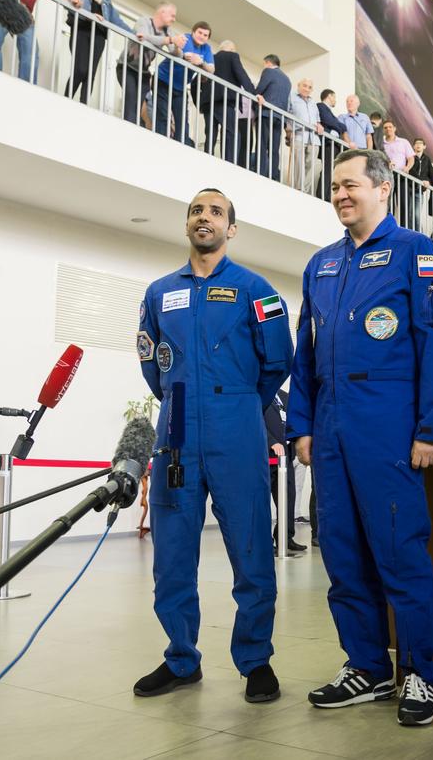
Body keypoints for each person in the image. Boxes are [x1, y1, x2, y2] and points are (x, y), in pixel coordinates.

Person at [287, 148, 433, 727]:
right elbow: (305, 352)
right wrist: (302, 424)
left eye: (350, 184)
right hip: (330, 428)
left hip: (389, 426)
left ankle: (418, 672)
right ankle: (367, 666)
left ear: (383, 188)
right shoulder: (321, 264)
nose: (339, 194)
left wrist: (431, 427)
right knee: (341, 552)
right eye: (334, 186)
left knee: (399, 552)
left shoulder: (417, 253)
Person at [134, 189, 293, 704]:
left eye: (216, 212)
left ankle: (256, 660)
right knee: (172, 553)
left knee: (250, 548)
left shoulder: (256, 289)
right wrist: (179, 398)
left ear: (232, 228)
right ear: (187, 225)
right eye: (196, 211)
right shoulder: (160, 293)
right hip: (177, 426)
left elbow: (278, 360)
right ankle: (181, 658)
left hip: (237, 424)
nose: (205, 217)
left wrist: (241, 403)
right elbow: (151, 363)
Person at [63, 0, 132, 104]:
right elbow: (67, 2)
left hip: (99, 36)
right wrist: (90, 15)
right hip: (81, 30)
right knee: (80, 69)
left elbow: (116, 20)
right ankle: (65, 100)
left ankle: (83, 105)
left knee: (90, 73)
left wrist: (134, 34)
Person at [120, 2, 184, 127]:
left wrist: (176, 46)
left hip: (143, 72)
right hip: (127, 67)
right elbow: (143, 37)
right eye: (172, 15)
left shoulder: (167, 31)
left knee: (138, 106)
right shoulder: (144, 21)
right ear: (162, 12)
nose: (174, 19)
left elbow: (177, 54)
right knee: (131, 101)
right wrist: (170, 40)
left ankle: (134, 128)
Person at [154, 21, 214, 147]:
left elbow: (211, 69)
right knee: (163, 115)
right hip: (163, 80)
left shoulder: (207, 48)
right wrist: (187, 57)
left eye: (205, 35)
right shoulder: (186, 39)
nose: (202, 36)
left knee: (182, 123)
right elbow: (183, 54)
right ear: (193, 32)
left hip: (180, 88)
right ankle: (160, 145)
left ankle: (179, 148)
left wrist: (201, 62)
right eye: (200, 33)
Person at [264, 388, 305, 552]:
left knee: (288, 498)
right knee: (262, 502)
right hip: (265, 456)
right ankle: (264, 543)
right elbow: (254, 422)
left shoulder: (284, 396)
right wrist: (271, 442)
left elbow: (291, 422)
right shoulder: (259, 395)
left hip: (285, 457)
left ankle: (285, 537)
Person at [211, 40, 257, 166]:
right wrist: (254, 94)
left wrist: (200, 103)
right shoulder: (233, 56)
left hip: (210, 102)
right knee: (232, 134)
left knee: (212, 133)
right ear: (231, 49)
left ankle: (210, 157)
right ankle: (230, 163)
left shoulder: (211, 58)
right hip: (228, 102)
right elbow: (243, 77)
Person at [253, 54, 291, 180]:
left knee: (262, 144)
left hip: (266, 113)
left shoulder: (268, 71)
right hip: (279, 117)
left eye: (264, 64)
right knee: (274, 148)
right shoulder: (287, 79)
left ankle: (260, 172)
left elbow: (260, 89)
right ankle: (273, 174)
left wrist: (255, 95)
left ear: (268, 63)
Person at [288, 78, 324, 198]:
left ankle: (305, 190)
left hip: (314, 138)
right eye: (304, 85)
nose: (307, 89)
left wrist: (319, 125)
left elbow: (317, 119)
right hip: (298, 134)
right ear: (298, 85)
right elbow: (286, 113)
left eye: (310, 87)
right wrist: (289, 130)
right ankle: (299, 188)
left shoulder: (313, 102)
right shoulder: (291, 97)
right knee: (298, 164)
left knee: (312, 165)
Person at [317, 90, 349, 202]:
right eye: (334, 97)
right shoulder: (321, 106)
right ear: (329, 96)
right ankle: (321, 195)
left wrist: (339, 126)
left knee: (331, 171)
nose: (335, 100)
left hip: (333, 145)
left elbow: (337, 124)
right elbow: (329, 121)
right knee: (327, 170)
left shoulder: (330, 112)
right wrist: (340, 127)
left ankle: (326, 196)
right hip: (328, 144)